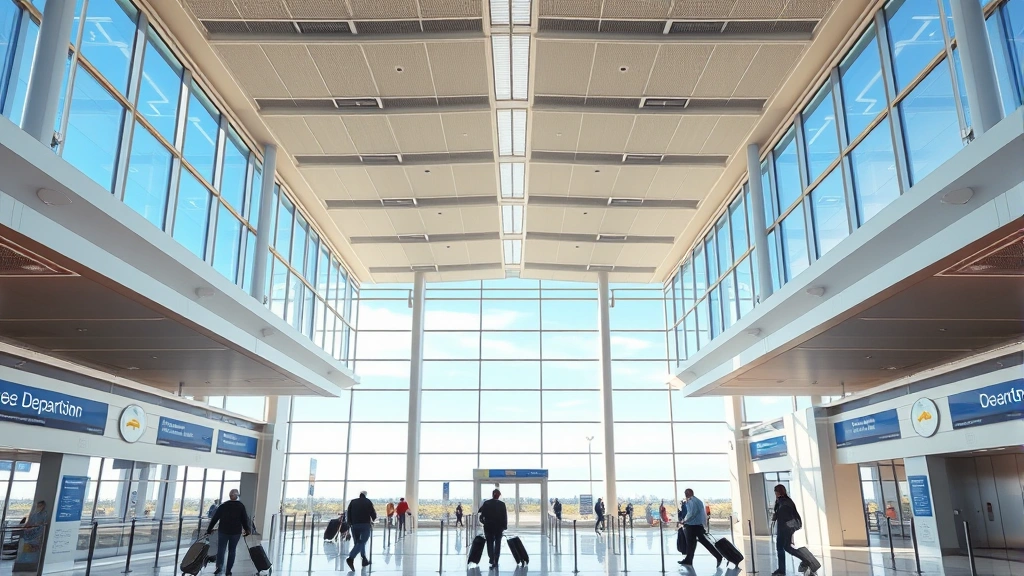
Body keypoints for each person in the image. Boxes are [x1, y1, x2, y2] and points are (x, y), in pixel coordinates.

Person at [205, 489, 250, 576]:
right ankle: (228, 570)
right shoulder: (241, 506)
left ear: (230, 496)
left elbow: (215, 518)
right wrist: (246, 529)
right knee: (232, 551)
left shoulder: (223, 506)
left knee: (221, 549)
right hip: (235, 532)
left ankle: (219, 567)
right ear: (237, 496)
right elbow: (244, 519)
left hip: (223, 531)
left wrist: (209, 529)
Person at [679, 488, 722, 567]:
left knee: (692, 543)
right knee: (697, 543)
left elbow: (692, 514)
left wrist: (684, 521)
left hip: (692, 526)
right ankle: (689, 560)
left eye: (686, 493)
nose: (685, 494)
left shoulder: (693, 501)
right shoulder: (696, 501)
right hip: (697, 526)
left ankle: (718, 556)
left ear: (689, 493)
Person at [771, 485, 803, 576]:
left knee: (785, 548)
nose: (775, 494)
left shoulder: (785, 502)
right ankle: (781, 570)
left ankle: (806, 559)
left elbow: (787, 516)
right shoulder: (782, 501)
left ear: (778, 492)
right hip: (783, 528)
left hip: (785, 529)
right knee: (782, 548)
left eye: (776, 492)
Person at [345, 490, 378, 571]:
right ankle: (351, 558)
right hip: (365, 524)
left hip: (354, 525)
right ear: (365, 495)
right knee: (362, 541)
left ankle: (364, 560)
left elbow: (348, 513)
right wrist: (373, 518)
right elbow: (372, 512)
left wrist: (349, 523)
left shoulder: (353, 502)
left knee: (358, 543)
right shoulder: (367, 502)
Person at [478, 489, 508, 569]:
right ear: (498, 495)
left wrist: (484, 523)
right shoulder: (502, 504)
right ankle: (496, 560)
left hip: (488, 527)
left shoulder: (486, 503)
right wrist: (504, 526)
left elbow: (481, 515)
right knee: (498, 543)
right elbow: (504, 516)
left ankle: (491, 558)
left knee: (489, 543)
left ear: (492, 494)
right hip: (498, 527)